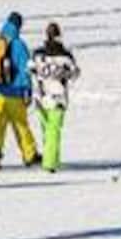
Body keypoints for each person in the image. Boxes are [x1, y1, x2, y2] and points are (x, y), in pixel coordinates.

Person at [0, 12, 39, 169]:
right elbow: (25, 70)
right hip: (15, 93)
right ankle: (30, 155)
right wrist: (27, 90)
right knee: (21, 126)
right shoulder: (19, 44)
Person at [30, 22, 80, 173]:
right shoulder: (65, 56)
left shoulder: (38, 54)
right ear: (59, 36)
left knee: (47, 130)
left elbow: (30, 69)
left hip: (41, 96)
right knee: (54, 130)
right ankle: (50, 163)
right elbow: (74, 74)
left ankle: (52, 159)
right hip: (58, 98)